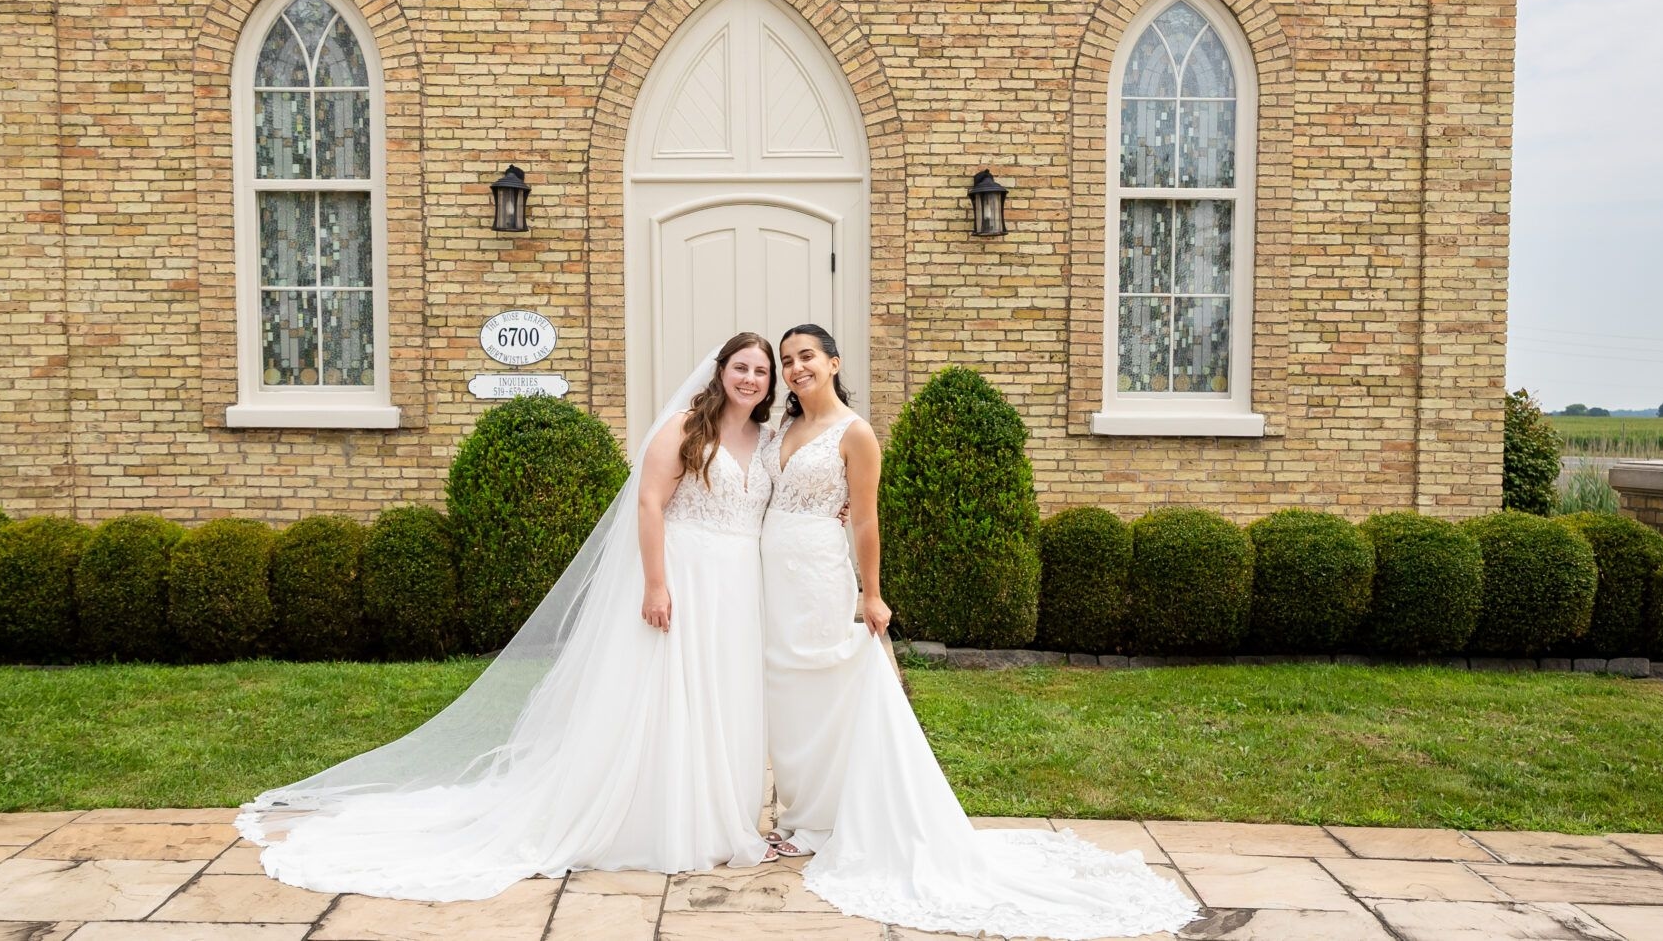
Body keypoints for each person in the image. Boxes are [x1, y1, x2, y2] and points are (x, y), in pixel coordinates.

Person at [237, 333, 779, 901]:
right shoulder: (684, 429)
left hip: (738, 587)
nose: (749, 379)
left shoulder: (765, 439)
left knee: (723, 695)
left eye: (760, 371)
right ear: (719, 372)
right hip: (685, 574)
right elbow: (649, 502)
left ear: (769, 383)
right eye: (740, 367)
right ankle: (667, 821)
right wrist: (656, 583)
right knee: (673, 693)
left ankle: (722, 818)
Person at [758, 323, 1198, 939]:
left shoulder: (855, 434)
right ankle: (797, 815)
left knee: (829, 690)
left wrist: (872, 591)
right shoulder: (779, 429)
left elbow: (864, 520)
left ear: (833, 362)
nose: (796, 367)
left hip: (818, 578)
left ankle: (831, 818)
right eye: (787, 360)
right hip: (770, 578)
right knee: (786, 693)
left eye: (807, 356)